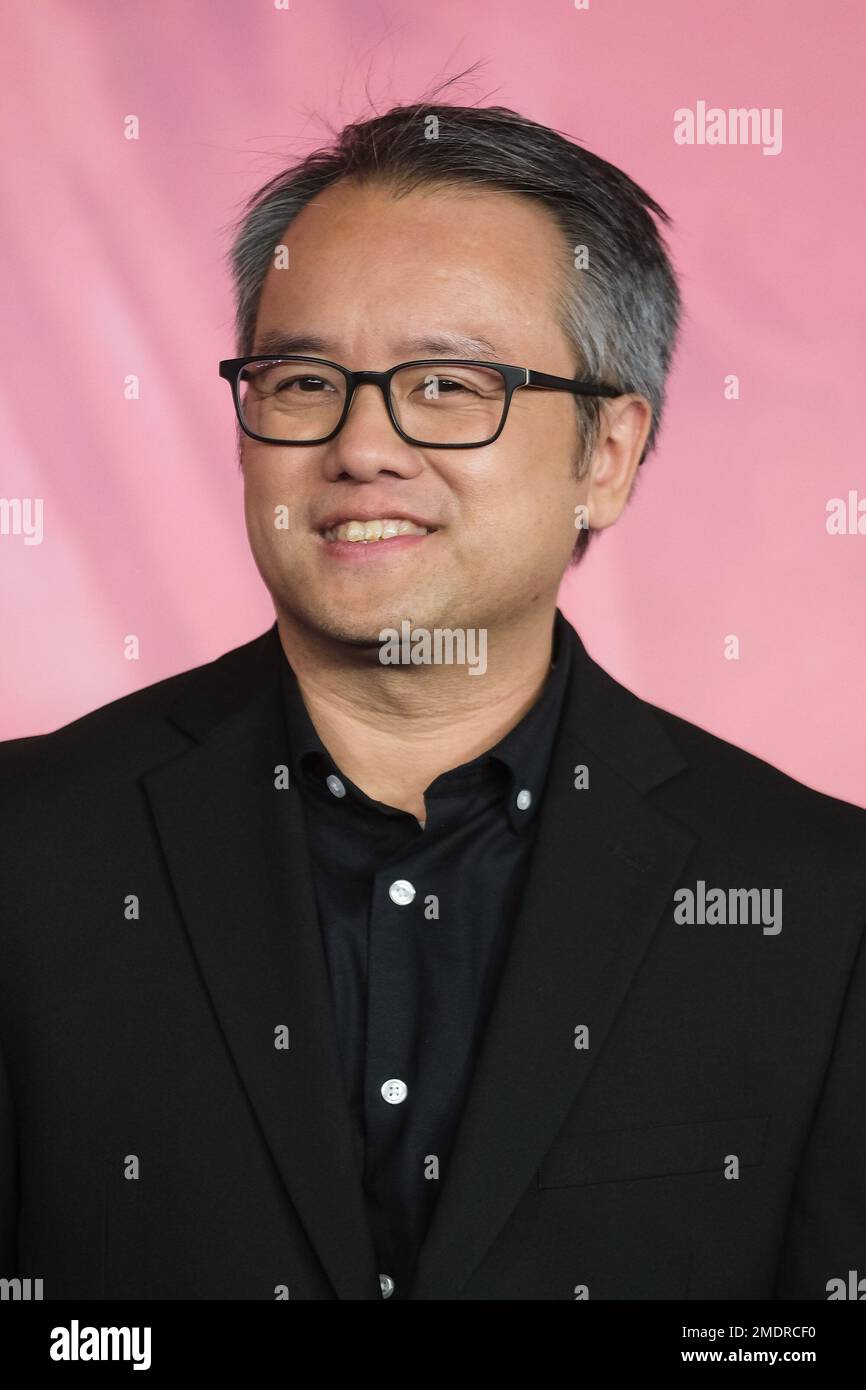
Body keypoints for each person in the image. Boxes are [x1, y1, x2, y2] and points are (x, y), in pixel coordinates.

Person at [1, 98, 864, 1302]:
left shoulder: (818, 902)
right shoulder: (28, 845)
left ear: (606, 455)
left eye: (449, 385)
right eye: (303, 379)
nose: (361, 446)